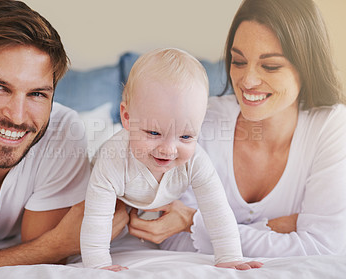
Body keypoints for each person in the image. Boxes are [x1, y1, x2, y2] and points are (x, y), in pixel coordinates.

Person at [127, 0, 346, 257]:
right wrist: (274, 228)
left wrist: (193, 221)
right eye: (239, 62)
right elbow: (171, 240)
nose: (248, 81)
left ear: (307, 66)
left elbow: (323, 247)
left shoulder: (331, 126)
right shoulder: (202, 119)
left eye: (270, 66)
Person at [0, 0, 127, 272]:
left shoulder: (62, 131)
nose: (18, 117)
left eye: (37, 94)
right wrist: (54, 244)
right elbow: (45, 249)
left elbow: (42, 264)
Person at [80, 48, 263, 271]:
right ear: (127, 117)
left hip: (145, 200)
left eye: (185, 136)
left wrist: (230, 256)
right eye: (153, 133)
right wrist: (98, 265)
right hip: (101, 193)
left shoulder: (196, 161)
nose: (168, 150)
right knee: (99, 216)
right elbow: (96, 219)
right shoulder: (112, 160)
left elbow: (217, 210)